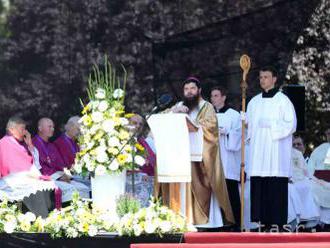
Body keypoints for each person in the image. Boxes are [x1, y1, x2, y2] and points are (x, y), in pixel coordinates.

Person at [167, 76, 234, 228]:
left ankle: (206, 222)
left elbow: (211, 127)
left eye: (192, 89)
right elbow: (166, 119)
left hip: (200, 157)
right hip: (181, 156)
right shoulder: (179, 106)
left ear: (199, 90)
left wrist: (194, 124)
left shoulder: (206, 107)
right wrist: (175, 111)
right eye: (186, 89)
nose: (189, 92)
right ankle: (182, 218)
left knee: (202, 185)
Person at [245, 66, 297, 230]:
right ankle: (262, 221)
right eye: (261, 77)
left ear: (274, 79)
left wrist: (272, 125)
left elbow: (291, 124)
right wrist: (246, 122)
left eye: (266, 77)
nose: (262, 80)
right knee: (260, 183)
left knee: (275, 185)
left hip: (275, 151)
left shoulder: (283, 101)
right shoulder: (254, 102)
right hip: (259, 151)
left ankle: (278, 222)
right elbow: (250, 128)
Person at [0, 116, 56, 217]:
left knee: (45, 185)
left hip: (20, 177)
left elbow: (35, 165)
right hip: (10, 180)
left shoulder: (20, 144)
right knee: (36, 185)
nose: (25, 132)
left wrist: (30, 144)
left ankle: (45, 216)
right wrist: (32, 175)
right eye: (22, 129)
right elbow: (14, 167)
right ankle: (42, 219)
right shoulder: (5, 143)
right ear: (11, 129)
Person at [33, 117, 90, 203]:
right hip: (46, 179)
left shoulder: (51, 146)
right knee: (72, 189)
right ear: (40, 128)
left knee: (84, 188)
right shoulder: (34, 144)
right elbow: (38, 168)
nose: (52, 129)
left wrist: (64, 175)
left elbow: (60, 165)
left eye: (53, 127)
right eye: (49, 126)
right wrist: (59, 177)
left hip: (60, 177)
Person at [210, 86, 241, 230]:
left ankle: (234, 222)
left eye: (216, 96)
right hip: (213, 158)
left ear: (223, 97)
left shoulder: (233, 115)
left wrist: (227, 133)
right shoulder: (208, 115)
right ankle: (219, 223)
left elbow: (240, 135)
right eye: (212, 96)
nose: (213, 99)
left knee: (231, 192)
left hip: (228, 159)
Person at [126, 114, 156, 207]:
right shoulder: (122, 140)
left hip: (146, 180)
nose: (138, 126)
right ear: (127, 124)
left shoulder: (142, 141)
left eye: (140, 124)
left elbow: (152, 160)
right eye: (134, 123)